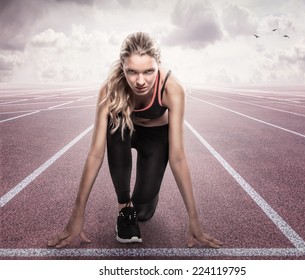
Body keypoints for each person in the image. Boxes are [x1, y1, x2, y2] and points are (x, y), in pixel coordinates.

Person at [48, 32, 223, 248]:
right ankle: (124, 206)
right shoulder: (110, 89)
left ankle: (145, 199)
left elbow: (177, 158)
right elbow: (95, 154)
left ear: (158, 65)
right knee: (116, 124)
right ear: (122, 66)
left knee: (143, 212)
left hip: (155, 139)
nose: (141, 81)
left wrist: (194, 218)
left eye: (149, 71)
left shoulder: (172, 88)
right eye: (132, 72)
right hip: (123, 132)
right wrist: (77, 214)